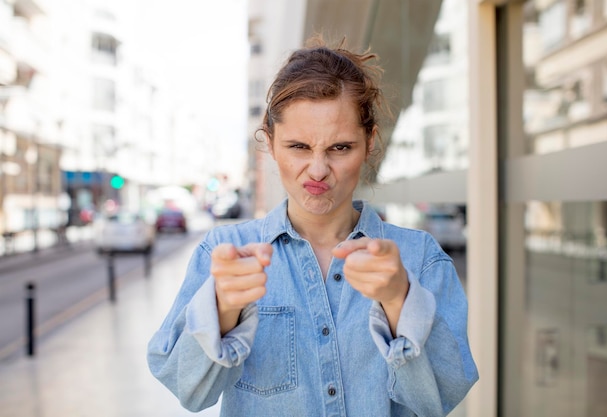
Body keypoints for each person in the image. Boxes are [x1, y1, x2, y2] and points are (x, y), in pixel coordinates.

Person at [147, 36, 478, 417]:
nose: (318, 170)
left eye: (340, 148)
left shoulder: (420, 259)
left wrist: (399, 300)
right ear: (270, 143)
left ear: (369, 143)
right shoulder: (224, 254)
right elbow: (186, 389)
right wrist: (223, 309)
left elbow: (442, 398)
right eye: (298, 147)